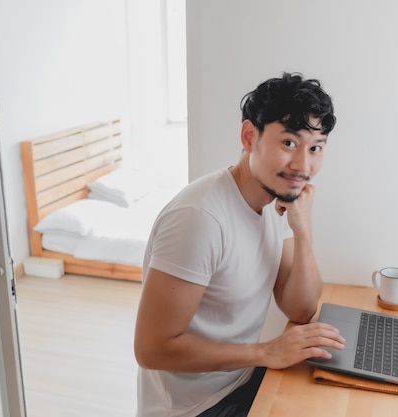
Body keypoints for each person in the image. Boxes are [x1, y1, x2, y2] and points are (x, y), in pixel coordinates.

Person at [134, 72, 346, 417]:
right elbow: (151, 350)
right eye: (289, 143)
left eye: (315, 148)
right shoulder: (200, 219)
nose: (303, 166)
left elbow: (300, 309)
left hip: (242, 381)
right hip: (197, 408)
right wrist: (266, 352)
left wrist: (303, 229)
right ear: (250, 137)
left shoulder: (277, 201)